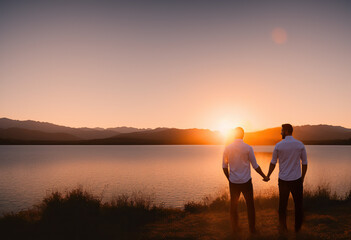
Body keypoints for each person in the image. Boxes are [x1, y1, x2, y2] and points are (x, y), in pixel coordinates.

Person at [222, 127, 269, 234]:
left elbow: (224, 167)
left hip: (233, 182)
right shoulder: (248, 148)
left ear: (234, 135)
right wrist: (264, 176)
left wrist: (229, 179)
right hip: (246, 182)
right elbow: (255, 166)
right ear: (243, 135)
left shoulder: (227, 148)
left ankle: (235, 229)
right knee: (250, 206)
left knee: (233, 206)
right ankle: (252, 229)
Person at [266, 124, 308, 233]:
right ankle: (297, 229)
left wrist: (268, 175)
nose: (280, 133)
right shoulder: (300, 145)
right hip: (296, 180)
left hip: (283, 180)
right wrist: (302, 178)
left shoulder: (278, 146)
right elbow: (305, 163)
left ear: (286, 131)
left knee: (282, 205)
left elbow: (273, 163)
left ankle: (283, 228)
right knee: (298, 205)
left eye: (281, 131)